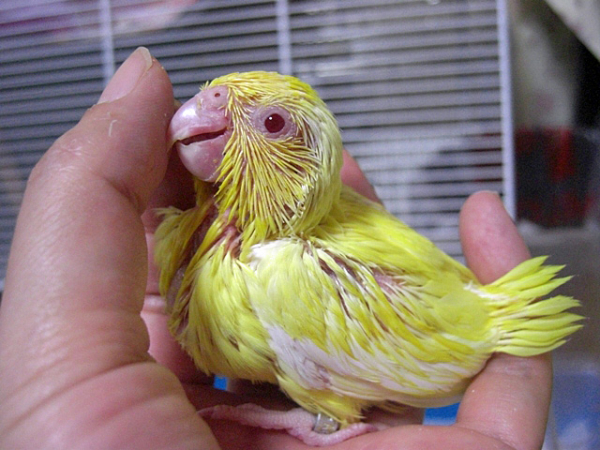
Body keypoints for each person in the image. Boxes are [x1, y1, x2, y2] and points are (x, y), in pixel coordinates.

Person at [0, 48, 552, 450]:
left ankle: (326, 422)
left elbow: (432, 375)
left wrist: (306, 422)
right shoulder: (200, 234)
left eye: (270, 123)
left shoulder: (283, 272)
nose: (205, 109)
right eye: (215, 96)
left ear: (304, 170)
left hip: (467, 328)